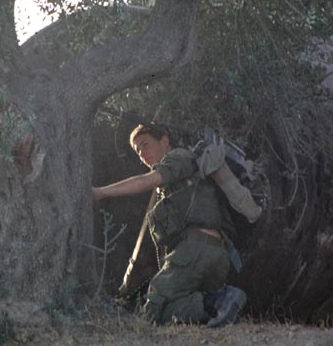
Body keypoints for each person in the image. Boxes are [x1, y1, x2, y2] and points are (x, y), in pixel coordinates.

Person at [92, 123, 247, 327]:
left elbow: (145, 181)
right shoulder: (173, 184)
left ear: (164, 140)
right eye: (137, 150)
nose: (141, 153)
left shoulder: (179, 157)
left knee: (154, 303)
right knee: (169, 310)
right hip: (214, 255)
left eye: (145, 144)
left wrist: (100, 193)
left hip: (195, 249)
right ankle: (215, 304)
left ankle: (218, 300)